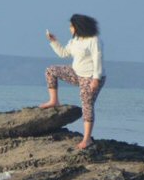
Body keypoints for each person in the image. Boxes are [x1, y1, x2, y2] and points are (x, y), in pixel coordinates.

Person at [40, 14, 106, 150]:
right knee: (51, 70)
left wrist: (96, 79)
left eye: (71, 26)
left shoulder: (93, 40)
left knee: (86, 103)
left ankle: (87, 139)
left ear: (78, 27)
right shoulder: (75, 40)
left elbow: (98, 59)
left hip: (91, 77)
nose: (70, 28)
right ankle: (54, 101)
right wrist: (53, 41)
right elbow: (63, 53)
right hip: (77, 74)